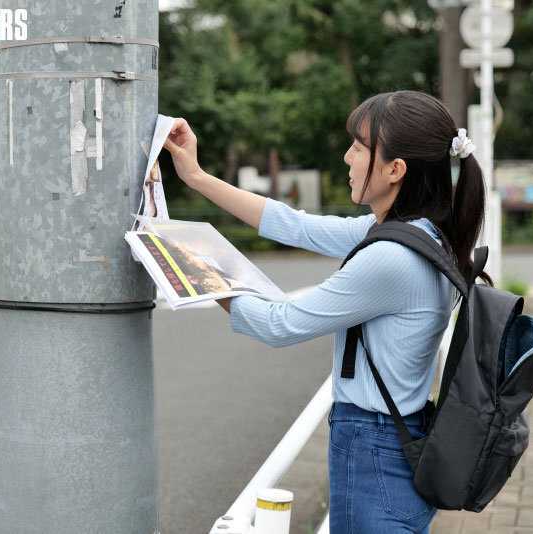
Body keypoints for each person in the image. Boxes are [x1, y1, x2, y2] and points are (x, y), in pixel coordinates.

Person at [163, 90, 489, 534]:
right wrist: (197, 177)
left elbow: (279, 325)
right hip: (396, 439)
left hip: (372, 447)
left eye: (358, 147)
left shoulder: (392, 257)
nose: (346, 156)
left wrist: (198, 274)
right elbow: (294, 224)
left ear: (395, 170)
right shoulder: (422, 234)